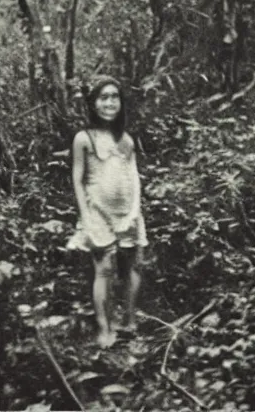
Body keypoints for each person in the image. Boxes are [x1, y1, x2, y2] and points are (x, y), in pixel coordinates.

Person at [67, 76, 148, 348]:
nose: (110, 102)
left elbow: (134, 177)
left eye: (115, 96)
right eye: (103, 97)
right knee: (105, 268)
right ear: (93, 103)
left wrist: (134, 212)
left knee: (134, 264)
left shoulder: (125, 139)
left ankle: (130, 321)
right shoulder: (84, 138)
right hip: (98, 212)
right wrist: (86, 217)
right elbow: (78, 179)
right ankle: (105, 328)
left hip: (129, 212)